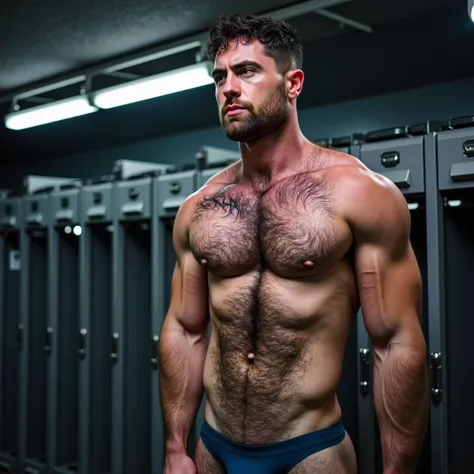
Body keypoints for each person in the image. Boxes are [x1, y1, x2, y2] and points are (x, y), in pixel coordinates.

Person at [158, 12, 429, 474]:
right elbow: (185, 330)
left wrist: (397, 468)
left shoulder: (358, 193)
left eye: (247, 71)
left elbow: (395, 342)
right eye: (219, 76)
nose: (228, 88)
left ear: (293, 83)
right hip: (212, 446)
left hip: (309, 451)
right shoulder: (200, 207)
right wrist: (175, 448)